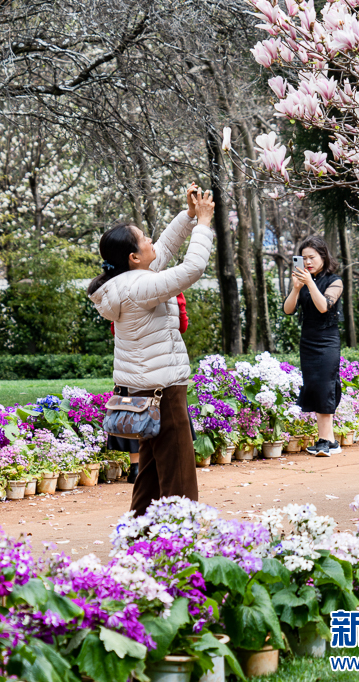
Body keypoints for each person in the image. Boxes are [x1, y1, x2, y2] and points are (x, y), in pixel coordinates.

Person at [88, 183, 214, 516]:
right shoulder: (141, 287)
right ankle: (182, 536)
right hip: (163, 389)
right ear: (133, 257)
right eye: (144, 239)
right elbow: (192, 269)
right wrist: (203, 224)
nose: (150, 241)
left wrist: (188, 215)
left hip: (143, 388)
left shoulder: (126, 282)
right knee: (178, 470)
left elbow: (165, 247)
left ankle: (138, 531)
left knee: (152, 470)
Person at [107, 292, 189, 484]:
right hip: (160, 367)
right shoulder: (171, 290)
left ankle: (136, 467)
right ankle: (161, 471)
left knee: (132, 414)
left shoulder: (122, 290)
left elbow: (115, 329)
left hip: (130, 366)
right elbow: (182, 325)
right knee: (165, 419)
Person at [284, 235, 343, 457]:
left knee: (325, 386)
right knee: (314, 386)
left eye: (312, 257)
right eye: (304, 258)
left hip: (327, 341)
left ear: (323, 257)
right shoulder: (303, 283)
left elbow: (323, 306)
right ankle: (329, 441)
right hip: (307, 341)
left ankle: (325, 440)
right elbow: (288, 310)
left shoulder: (335, 281)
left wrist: (309, 283)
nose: (308, 262)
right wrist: (296, 288)